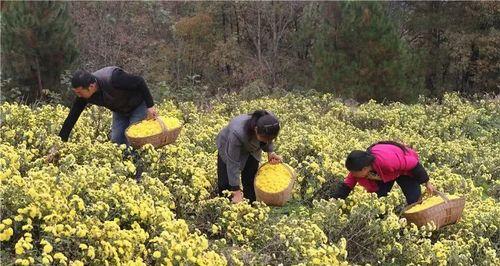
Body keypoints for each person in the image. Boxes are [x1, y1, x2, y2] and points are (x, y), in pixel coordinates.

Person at [58, 66, 158, 144]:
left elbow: (139, 81)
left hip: (138, 106)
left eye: (79, 92)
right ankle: (123, 166)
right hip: (120, 110)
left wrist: (150, 106)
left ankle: (138, 167)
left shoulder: (113, 78)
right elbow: (72, 117)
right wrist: (59, 142)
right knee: (117, 139)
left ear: (91, 86)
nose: (78, 95)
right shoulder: (83, 95)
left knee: (134, 137)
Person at [332, 141, 435, 205]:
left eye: (353, 172)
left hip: (405, 170)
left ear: (364, 169)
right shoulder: (358, 167)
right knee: (379, 200)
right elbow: (347, 185)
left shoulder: (387, 162)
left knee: (414, 200)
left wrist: (427, 182)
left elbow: (413, 164)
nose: (352, 174)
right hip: (384, 175)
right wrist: (335, 201)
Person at [216, 110, 283, 203]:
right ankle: (226, 208)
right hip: (227, 145)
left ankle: (251, 207)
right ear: (256, 130)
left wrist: (270, 152)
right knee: (225, 183)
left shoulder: (270, 123)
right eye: (265, 139)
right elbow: (233, 162)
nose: (267, 141)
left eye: (270, 139)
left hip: (252, 148)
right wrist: (235, 189)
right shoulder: (237, 132)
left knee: (250, 179)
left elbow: (269, 139)